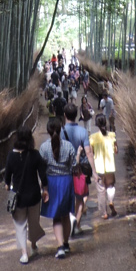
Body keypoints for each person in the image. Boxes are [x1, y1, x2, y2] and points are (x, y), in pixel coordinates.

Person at [4, 127, 49, 264]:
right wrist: (45, 189)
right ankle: (33, 245)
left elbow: (7, 178)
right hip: (34, 195)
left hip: (19, 198)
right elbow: (42, 175)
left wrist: (8, 185)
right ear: (30, 138)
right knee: (33, 222)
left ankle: (24, 253)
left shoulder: (11, 156)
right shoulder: (35, 154)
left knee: (20, 225)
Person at [39, 117, 76, 259]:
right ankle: (66, 243)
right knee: (66, 214)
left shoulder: (43, 148)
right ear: (60, 130)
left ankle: (60, 246)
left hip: (52, 183)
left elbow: (42, 169)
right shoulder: (68, 146)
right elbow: (73, 166)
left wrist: (44, 187)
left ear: (48, 131)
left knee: (56, 217)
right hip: (66, 181)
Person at [62, 104, 92, 235]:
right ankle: (77, 223)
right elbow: (89, 152)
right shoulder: (82, 132)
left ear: (64, 115)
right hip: (79, 170)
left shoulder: (60, 132)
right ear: (76, 115)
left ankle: (70, 218)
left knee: (67, 197)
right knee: (80, 197)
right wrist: (95, 172)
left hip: (64, 169)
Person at [89, 114, 118, 220]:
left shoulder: (93, 138)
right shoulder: (112, 135)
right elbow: (116, 151)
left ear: (96, 124)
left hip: (99, 167)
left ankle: (104, 213)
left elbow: (91, 153)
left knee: (101, 191)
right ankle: (111, 201)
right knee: (111, 186)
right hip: (110, 166)